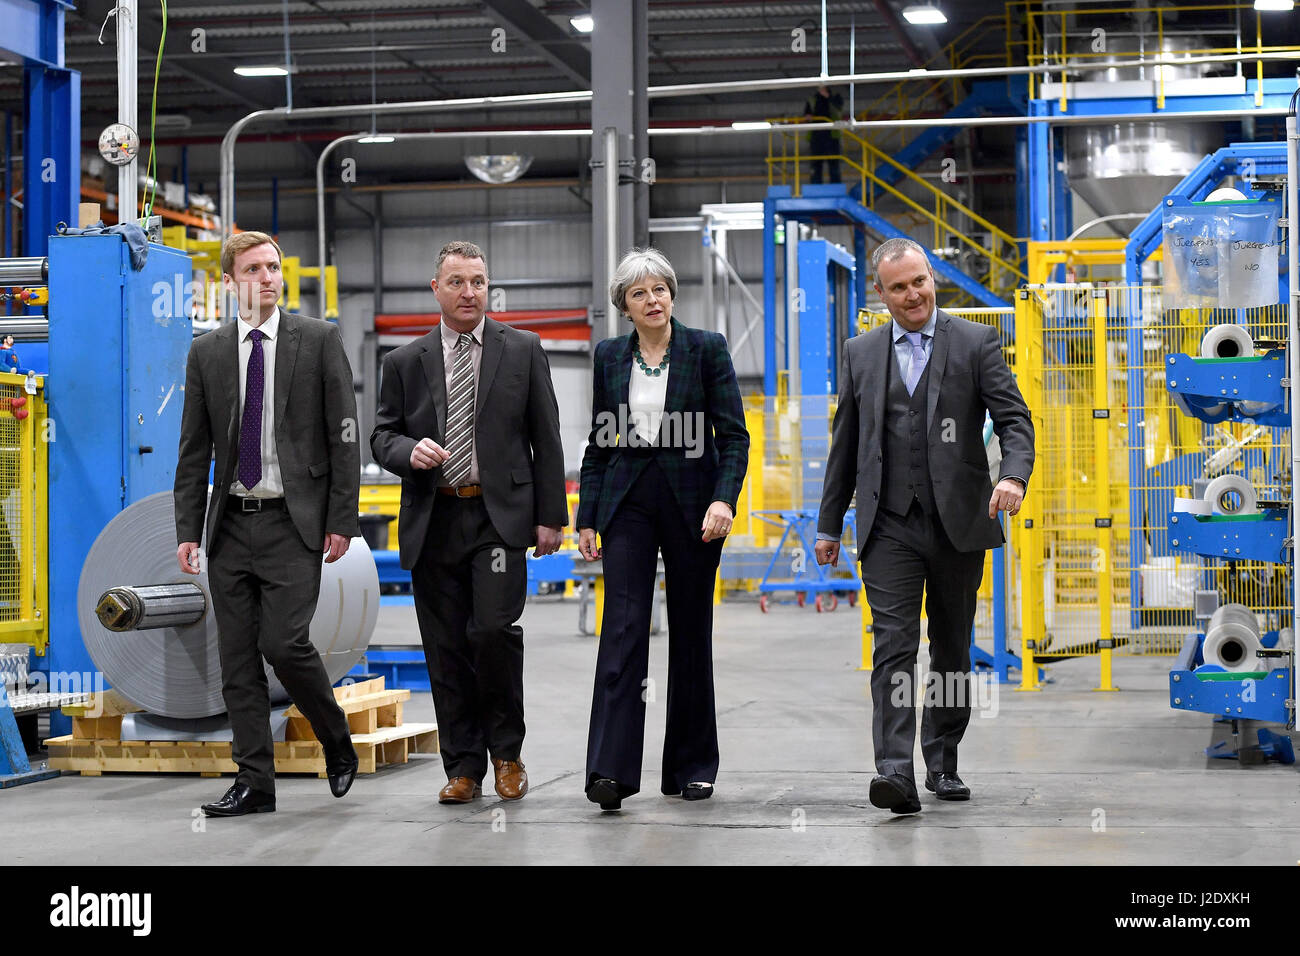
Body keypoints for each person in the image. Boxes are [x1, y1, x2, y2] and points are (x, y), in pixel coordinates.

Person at [815, 237, 1034, 815]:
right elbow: (846, 443)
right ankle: (894, 771)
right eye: (898, 287)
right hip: (888, 524)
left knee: (952, 649)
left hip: (960, 521)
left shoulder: (976, 342)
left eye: (919, 282)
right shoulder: (860, 353)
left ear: (931, 277)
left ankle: (942, 762)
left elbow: (1014, 419)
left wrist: (1012, 477)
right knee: (893, 646)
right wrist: (828, 524)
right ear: (880, 294)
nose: (912, 295)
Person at [370, 240, 567, 805]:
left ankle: (507, 755)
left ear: (489, 287)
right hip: (435, 519)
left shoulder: (522, 349)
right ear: (436, 289)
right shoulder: (404, 363)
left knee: (492, 633)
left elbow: (545, 436)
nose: (469, 292)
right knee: (446, 645)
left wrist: (551, 516)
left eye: (478, 281)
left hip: (497, 520)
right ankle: (463, 768)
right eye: (457, 282)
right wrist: (410, 451)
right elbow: (382, 436)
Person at [174, 230, 362, 817]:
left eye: (274, 268)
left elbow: (344, 436)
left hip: (293, 521)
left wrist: (342, 518)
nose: (268, 278)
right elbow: (192, 450)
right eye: (253, 269)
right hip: (230, 522)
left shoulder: (319, 339)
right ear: (230, 282)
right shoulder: (207, 352)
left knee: (283, 644)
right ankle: (254, 782)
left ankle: (334, 737)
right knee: (236, 659)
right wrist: (187, 529)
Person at [577, 247, 749, 812]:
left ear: (673, 295)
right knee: (622, 629)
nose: (653, 300)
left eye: (660, 290)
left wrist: (725, 500)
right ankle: (610, 771)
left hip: (696, 504)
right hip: (629, 502)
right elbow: (601, 444)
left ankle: (691, 767)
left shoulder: (706, 350)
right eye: (639, 293)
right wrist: (587, 518)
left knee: (691, 630)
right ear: (624, 306)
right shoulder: (607, 357)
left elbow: (734, 437)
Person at [803, 84, 844, 185]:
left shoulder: (835, 98)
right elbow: (806, 113)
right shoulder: (812, 99)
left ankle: (835, 185)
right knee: (816, 163)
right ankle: (816, 186)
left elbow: (839, 109)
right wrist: (807, 117)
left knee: (834, 163)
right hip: (816, 135)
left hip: (831, 135)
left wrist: (828, 97)